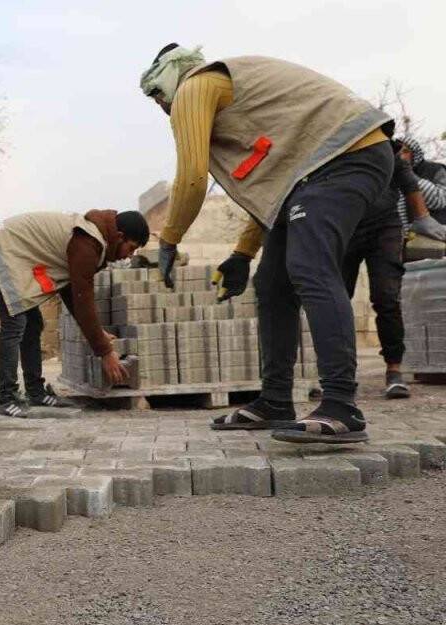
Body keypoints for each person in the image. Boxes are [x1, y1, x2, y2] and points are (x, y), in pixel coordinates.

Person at [140, 44, 399, 444]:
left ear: (169, 81)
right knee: (273, 284)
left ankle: (341, 406)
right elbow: (274, 194)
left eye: (157, 96)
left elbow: (191, 177)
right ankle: (276, 400)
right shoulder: (231, 96)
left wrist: (169, 239)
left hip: (346, 156)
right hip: (316, 170)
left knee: (310, 267)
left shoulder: (194, 87)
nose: (160, 107)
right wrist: (242, 254)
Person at [0, 210, 149, 417]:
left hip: (12, 255)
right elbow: (83, 299)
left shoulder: (94, 241)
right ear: (119, 237)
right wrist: (104, 351)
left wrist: (99, 335)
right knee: (15, 322)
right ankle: (7, 398)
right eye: (131, 248)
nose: (129, 255)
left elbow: (72, 294)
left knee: (33, 323)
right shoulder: (88, 243)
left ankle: (36, 392)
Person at [342, 141, 443, 401]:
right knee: (338, 298)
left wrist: (422, 217)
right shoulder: (336, 147)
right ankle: (339, 373)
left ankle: (394, 370)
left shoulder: (384, 145)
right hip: (344, 227)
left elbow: (408, 181)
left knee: (386, 298)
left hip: (384, 228)